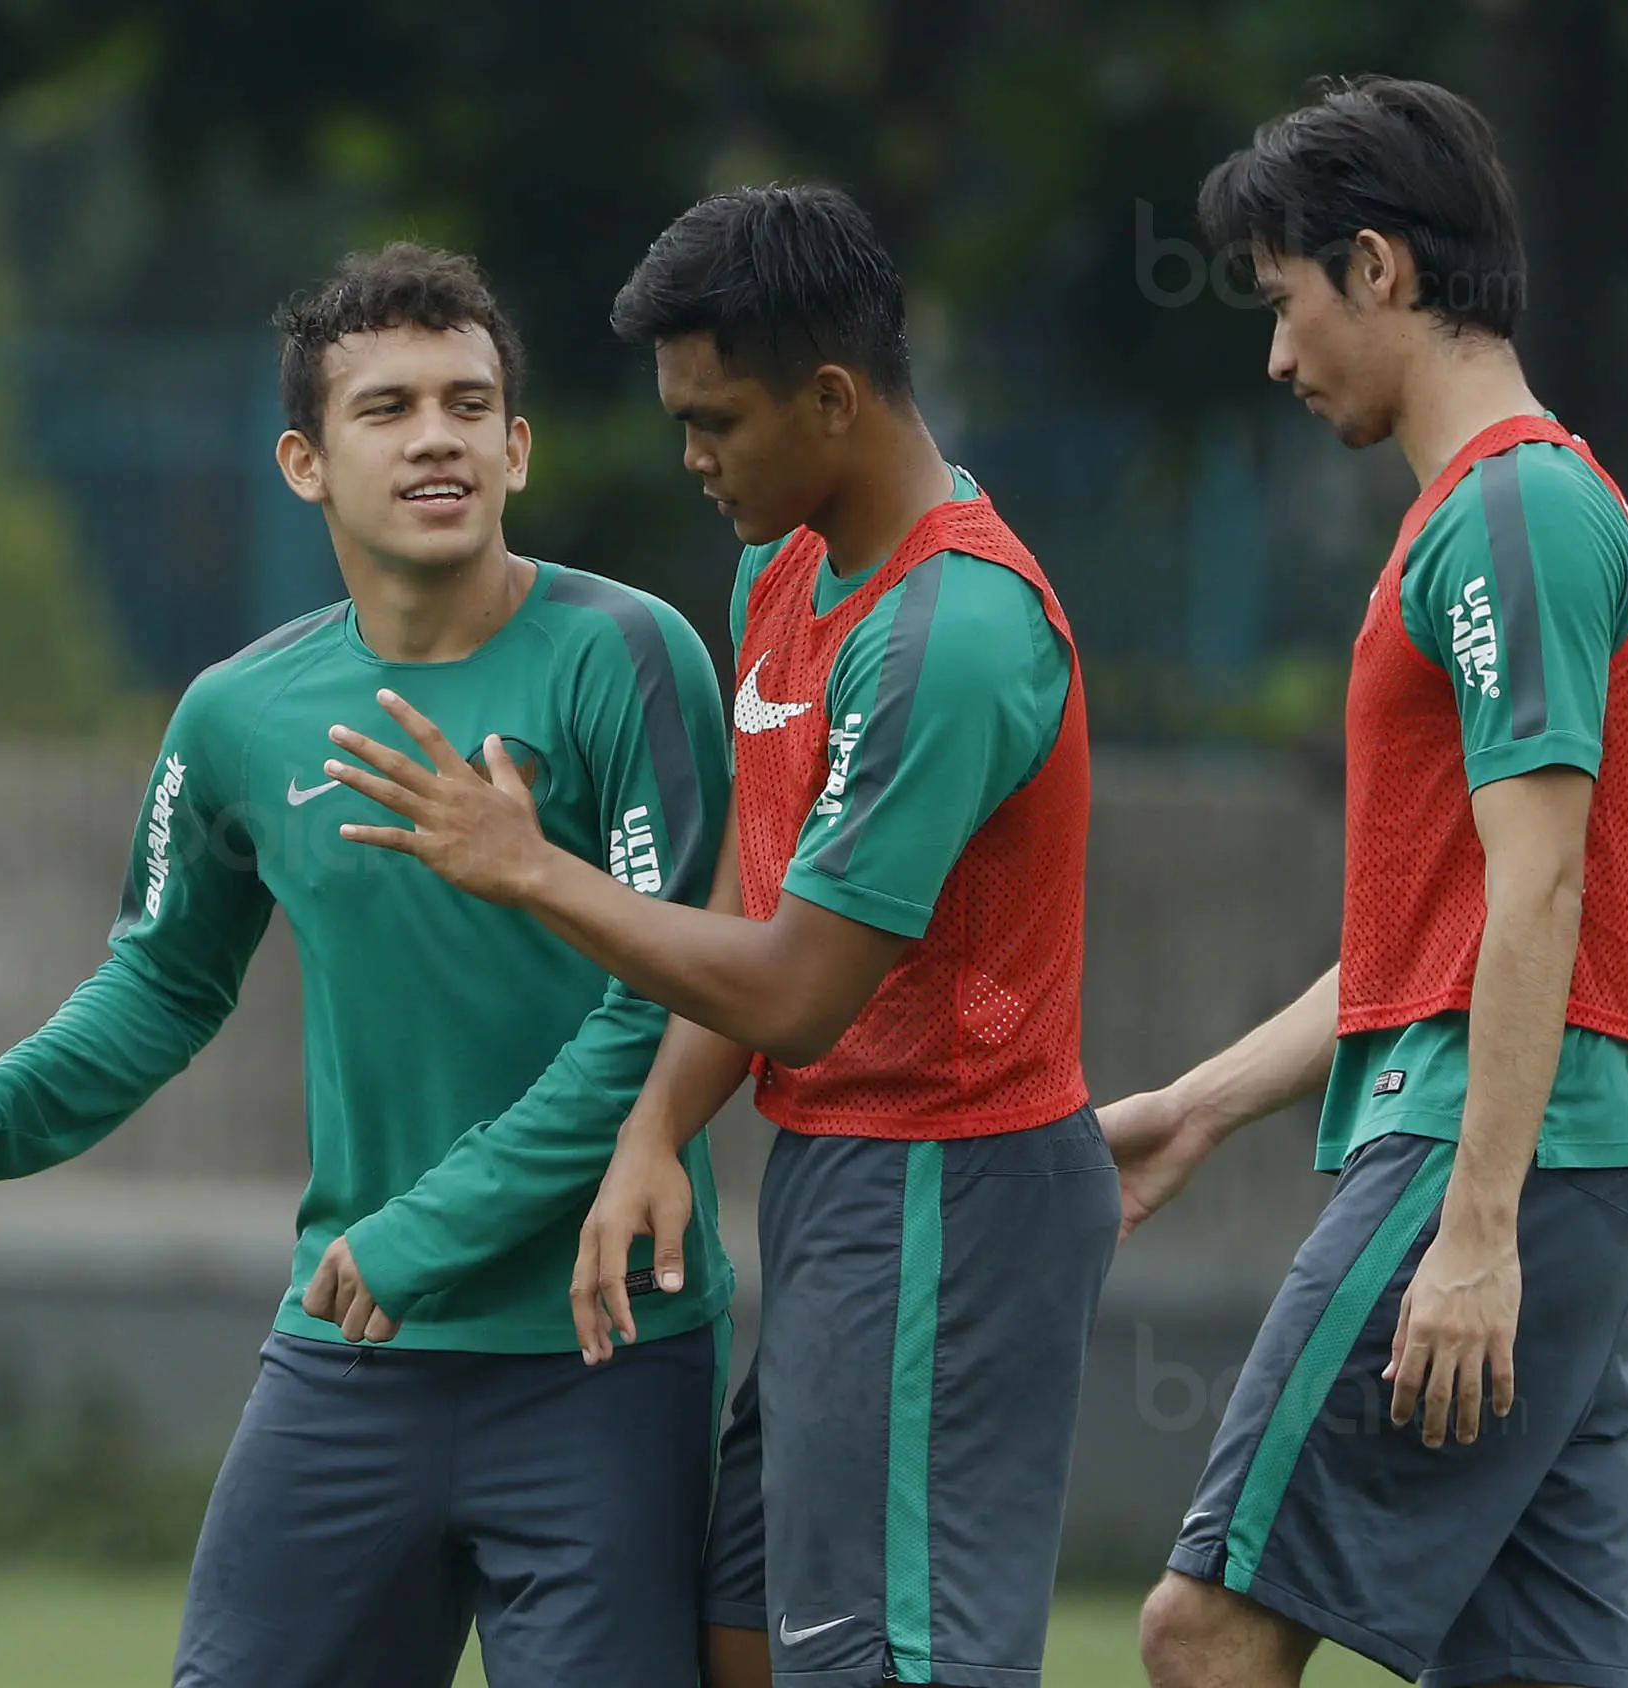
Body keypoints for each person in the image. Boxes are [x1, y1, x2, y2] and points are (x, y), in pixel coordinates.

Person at [0, 243, 735, 1688]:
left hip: (603, 1352)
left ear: (518, 448)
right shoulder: (235, 715)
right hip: (352, 1351)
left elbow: (669, 999)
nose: (438, 436)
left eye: (470, 404)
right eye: (388, 408)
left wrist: (425, 1231)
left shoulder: (630, 659)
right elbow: (160, 978)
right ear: (304, 464)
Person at [324, 186, 1118, 1688]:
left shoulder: (948, 634)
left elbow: (801, 989)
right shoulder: (788, 571)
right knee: (746, 1639)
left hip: (948, 1194)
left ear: (831, 398)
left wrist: (536, 872)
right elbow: (754, 900)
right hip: (838, 1186)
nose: (691, 458)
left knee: (887, 1664)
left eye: (718, 421)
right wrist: (654, 1129)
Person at [1114, 78, 1628, 1688]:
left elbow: (1540, 892)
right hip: (1572, 1178)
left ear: (1376, 268)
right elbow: (1431, 944)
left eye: (1287, 305)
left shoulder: (1509, 511)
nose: (1278, 358)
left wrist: (1476, 1226)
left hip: (1490, 1167)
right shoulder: (1499, 512)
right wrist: (1204, 1104)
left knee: (1205, 1629)